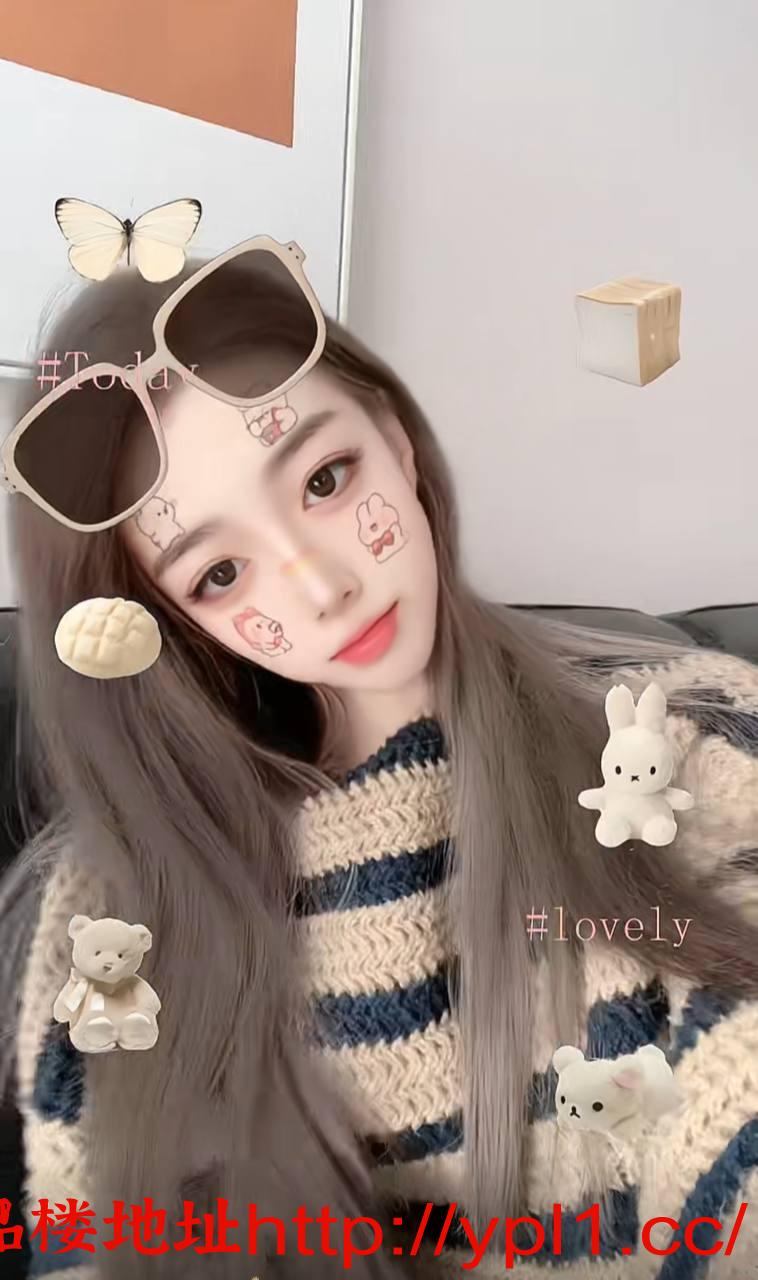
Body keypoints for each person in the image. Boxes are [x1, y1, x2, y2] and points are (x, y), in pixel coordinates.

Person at [2, 243, 758, 1280]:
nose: (323, 588)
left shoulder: (681, 740)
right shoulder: (114, 917)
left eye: (324, 477)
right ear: (166, 625)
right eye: (219, 571)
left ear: (394, 437)